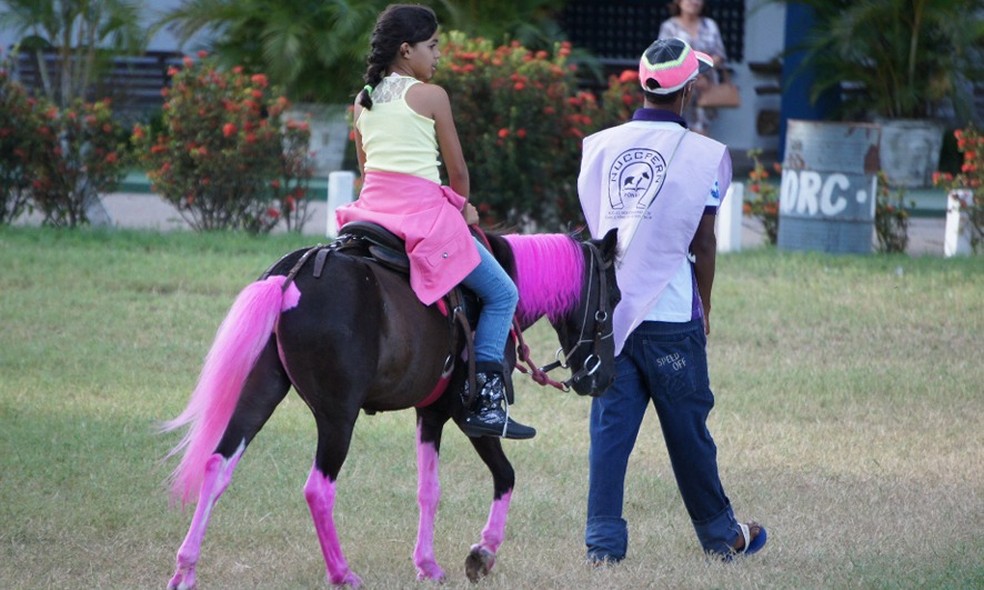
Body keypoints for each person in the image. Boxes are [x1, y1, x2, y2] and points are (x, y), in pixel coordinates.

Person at [577, 37, 767, 563]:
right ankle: (721, 536)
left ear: (644, 85)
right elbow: (702, 243)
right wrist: (703, 304)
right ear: (687, 91)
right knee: (688, 433)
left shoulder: (600, 145)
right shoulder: (704, 156)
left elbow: (596, 229)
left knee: (610, 435)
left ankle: (603, 546)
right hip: (670, 316)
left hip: (611, 314)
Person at [335, 4, 535, 440]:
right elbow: (458, 172)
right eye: (433, 45)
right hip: (423, 219)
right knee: (503, 293)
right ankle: (487, 398)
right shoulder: (431, 96)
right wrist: (462, 207)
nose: (438, 55)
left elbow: (367, 172)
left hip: (370, 214)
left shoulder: (362, 100)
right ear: (406, 51)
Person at [658, 0, 728, 135]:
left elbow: (719, 54)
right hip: (678, 88)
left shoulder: (710, 25)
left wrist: (702, 72)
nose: (693, 2)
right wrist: (693, 72)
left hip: (706, 86)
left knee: (701, 131)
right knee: (676, 129)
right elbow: (665, 55)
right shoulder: (669, 26)